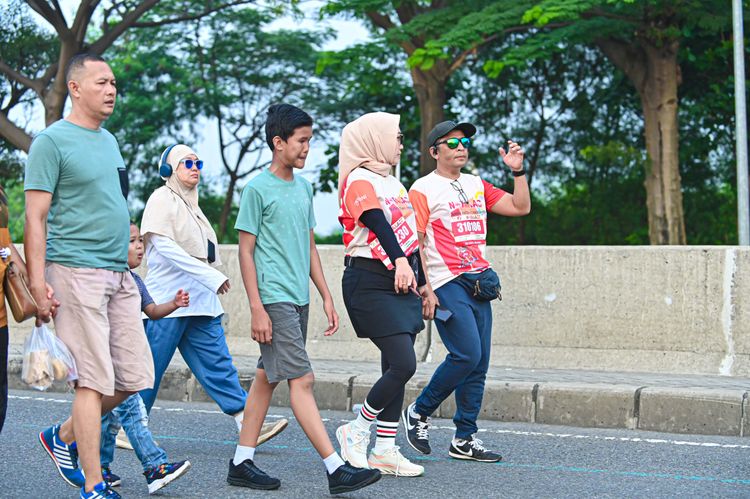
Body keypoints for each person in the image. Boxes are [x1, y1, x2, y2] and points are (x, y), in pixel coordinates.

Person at [229, 103, 380, 495]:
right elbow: (245, 251)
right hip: (274, 297)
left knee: (267, 377)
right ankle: (335, 468)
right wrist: (257, 308)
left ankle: (241, 462)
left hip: (298, 297)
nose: (306, 148)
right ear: (278, 142)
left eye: (309, 140)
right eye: (301, 140)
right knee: (303, 379)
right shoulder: (257, 189)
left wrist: (326, 295)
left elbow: (309, 245)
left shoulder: (303, 187)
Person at [25, 53, 154, 499]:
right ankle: (95, 484)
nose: (111, 90)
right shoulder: (51, 142)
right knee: (92, 380)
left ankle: (61, 436)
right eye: (102, 82)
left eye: (113, 82)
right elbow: (35, 216)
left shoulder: (109, 140)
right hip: (74, 272)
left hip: (118, 273)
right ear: (75, 88)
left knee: (133, 377)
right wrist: (37, 281)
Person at [138, 143, 287, 443]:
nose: (195, 168)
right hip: (169, 301)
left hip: (201, 302)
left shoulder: (193, 207)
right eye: (187, 163)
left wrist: (208, 280)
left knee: (219, 364)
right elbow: (166, 248)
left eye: (198, 163)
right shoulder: (161, 199)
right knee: (149, 368)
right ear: (169, 169)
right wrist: (210, 276)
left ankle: (247, 423)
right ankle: (129, 428)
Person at [402, 120, 530, 462]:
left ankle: (464, 438)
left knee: (480, 362)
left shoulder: (475, 184)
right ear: (434, 152)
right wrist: (426, 288)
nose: (461, 147)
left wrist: (518, 172)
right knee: (467, 354)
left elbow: (520, 207)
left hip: (479, 282)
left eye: (465, 142)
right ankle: (419, 411)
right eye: (452, 142)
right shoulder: (423, 189)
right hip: (446, 282)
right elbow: (416, 243)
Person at [335, 112, 426, 477]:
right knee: (405, 363)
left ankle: (385, 450)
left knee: (394, 367)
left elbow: (408, 235)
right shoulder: (358, 179)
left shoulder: (394, 183)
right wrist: (400, 261)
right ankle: (356, 430)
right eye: (396, 137)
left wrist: (421, 280)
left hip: (401, 279)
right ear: (374, 139)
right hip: (370, 278)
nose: (401, 144)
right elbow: (376, 221)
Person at [99, 223, 191, 494]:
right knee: (133, 413)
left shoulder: (136, 281)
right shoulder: (108, 280)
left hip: (126, 358)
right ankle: (155, 466)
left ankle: (100, 467)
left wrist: (173, 303)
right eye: (132, 241)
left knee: (108, 420)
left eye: (141, 240)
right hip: (110, 359)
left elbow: (152, 311)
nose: (139, 246)